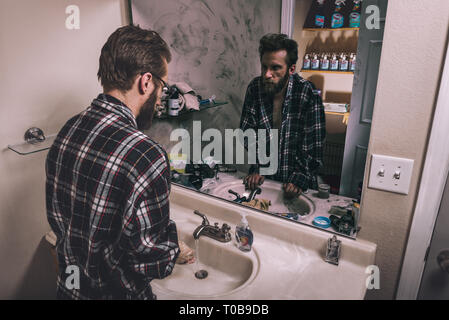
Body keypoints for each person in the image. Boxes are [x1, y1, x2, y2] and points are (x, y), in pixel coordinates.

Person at [46, 25, 190, 300]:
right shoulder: (146, 155)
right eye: (162, 86)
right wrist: (174, 248)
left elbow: (64, 223)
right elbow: (151, 260)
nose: (160, 96)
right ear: (146, 81)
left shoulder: (68, 131)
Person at [240, 33, 325, 198]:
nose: (267, 74)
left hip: (298, 183)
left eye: (275, 68)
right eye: (264, 67)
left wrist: (300, 176)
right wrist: (260, 167)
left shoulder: (308, 93)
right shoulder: (254, 88)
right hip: (262, 178)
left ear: (291, 69)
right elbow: (247, 133)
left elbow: (315, 146)